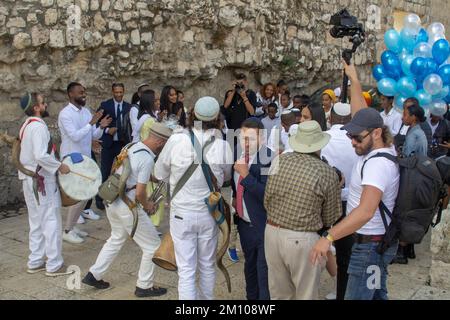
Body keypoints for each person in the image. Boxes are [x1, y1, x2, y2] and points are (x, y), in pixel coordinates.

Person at [310, 61, 400, 300]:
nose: (352, 142)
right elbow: (361, 112)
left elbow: (366, 212)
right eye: (350, 136)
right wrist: (354, 79)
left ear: (377, 133)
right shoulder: (381, 145)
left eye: (357, 138)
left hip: (369, 247)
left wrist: (328, 237)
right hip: (376, 245)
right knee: (377, 295)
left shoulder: (377, 165)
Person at [154, 96, 233, 300]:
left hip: (181, 214)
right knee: (207, 265)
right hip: (209, 213)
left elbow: (159, 173)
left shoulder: (176, 139)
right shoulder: (222, 145)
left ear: (191, 115)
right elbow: (226, 177)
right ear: (217, 118)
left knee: (186, 270)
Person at [83, 123, 172, 297]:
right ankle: (144, 286)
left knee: (116, 238)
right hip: (128, 206)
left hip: (112, 199)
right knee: (153, 246)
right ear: (160, 142)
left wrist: (149, 177)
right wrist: (149, 206)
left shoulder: (130, 146)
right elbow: (140, 193)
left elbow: (120, 170)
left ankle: (94, 274)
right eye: (165, 144)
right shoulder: (147, 158)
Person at [264, 120, 341, 300]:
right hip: (302, 238)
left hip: (272, 232)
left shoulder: (279, 160)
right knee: (305, 295)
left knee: (279, 294)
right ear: (319, 145)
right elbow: (330, 217)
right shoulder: (326, 172)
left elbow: (267, 200)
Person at [17, 92, 72, 277]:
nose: (46, 105)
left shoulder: (26, 125)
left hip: (29, 178)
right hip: (41, 181)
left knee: (36, 220)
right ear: (36, 108)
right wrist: (59, 167)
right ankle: (54, 264)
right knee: (51, 220)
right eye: (43, 103)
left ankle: (35, 260)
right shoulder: (38, 128)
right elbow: (41, 155)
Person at [58, 82, 112, 244]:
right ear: (70, 94)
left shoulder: (86, 111)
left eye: (84, 92)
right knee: (79, 196)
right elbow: (75, 136)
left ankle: (72, 227)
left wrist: (101, 127)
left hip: (85, 159)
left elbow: (92, 135)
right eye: (80, 92)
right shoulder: (65, 114)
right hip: (71, 160)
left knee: (86, 194)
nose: (84, 95)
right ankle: (67, 230)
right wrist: (91, 123)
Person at [320, 102, 359, 300]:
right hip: (349, 205)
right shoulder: (356, 140)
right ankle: (341, 293)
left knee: (318, 245)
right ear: (350, 119)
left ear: (331, 118)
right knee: (345, 254)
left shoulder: (324, 139)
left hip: (323, 204)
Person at [233, 117, 273, 300]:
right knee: (250, 270)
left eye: (250, 138)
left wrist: (245, 174)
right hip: (244, 225)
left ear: (262, 139)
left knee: (263, 274)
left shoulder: (269, 159)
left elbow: (268, 195)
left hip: (263, 226)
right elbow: (237, 187)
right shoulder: (241, 156)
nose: (245, 143)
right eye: (242, 138)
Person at [95, 83, 131, 211]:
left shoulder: (128, 107)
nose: (119, 95)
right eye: (116, 92)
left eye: (121, 92)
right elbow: (97, 123)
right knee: (104, 172)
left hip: (122, 145)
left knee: (122, 173)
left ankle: (119, 198)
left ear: (124, 91)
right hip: (109, 144)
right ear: (112, 92)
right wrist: (107, 130)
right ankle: (99, 200)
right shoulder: (105, 105)